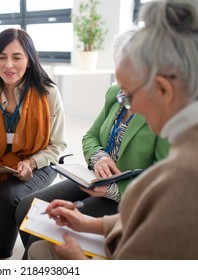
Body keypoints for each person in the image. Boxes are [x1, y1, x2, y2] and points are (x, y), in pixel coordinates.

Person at [27, 0, 198, 260]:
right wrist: (87, 224)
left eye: (129, 96)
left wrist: (77, 259)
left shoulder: (181, 179)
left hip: (114, 193)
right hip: (98, 185)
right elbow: (91, 137)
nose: (127, 104)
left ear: (164, 89)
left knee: (42, 250)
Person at [15, 29, 169, 259]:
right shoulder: (116, 93)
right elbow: (90, 137)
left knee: (47, 232)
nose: (123, 86)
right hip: (94, 178)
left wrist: (114, 190)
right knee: (27, 207)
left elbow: (162, 177)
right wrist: (100, 157)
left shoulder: (164, 110)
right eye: (120, 69)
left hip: (127, 194)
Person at [0, 28, 67, 259]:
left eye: (17, 57)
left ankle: (2, 258)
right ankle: (4, 230)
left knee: (7, 198)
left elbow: (58, 145)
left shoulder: (48, 92)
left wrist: (31, 161)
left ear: (29, 60)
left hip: (38, 164)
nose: (8, 65)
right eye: (1, 57)